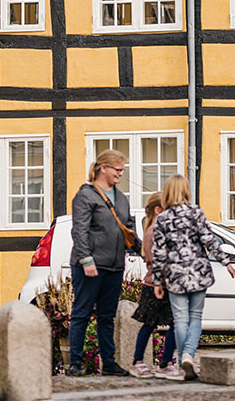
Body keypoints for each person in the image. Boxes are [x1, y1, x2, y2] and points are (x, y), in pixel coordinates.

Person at [151, 175, 235, 381]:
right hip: (198, 272)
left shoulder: (163, 218)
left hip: (175, 275)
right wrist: (226, 262)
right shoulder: (196, 213)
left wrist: (157, 280)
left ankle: (184, 360)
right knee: (196, 317)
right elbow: (209, 239)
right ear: (185, 191)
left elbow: (158, 252)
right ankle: (188, 355)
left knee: (180, 319)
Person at [68, 149, 136, 376]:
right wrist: (86, 260)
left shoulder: (122, 198)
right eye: (118, 169)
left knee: (107, 317)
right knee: (82, 313)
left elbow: (128, 227)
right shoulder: (85, 196)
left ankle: (108, 362)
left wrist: (142, 250)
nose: (121, 174)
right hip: (90, 265)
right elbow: (79, 231)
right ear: (103, 168)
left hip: (115, 265)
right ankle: (75, 363)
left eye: (123, 170)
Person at [129, 193, 178, 378]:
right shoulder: (155, 230)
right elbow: (156, 259)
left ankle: (164, 362)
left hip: (165, 283)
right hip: (155, 284)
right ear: (159, 210)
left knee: (173, 322)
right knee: (150, 324)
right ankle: (138, 362)